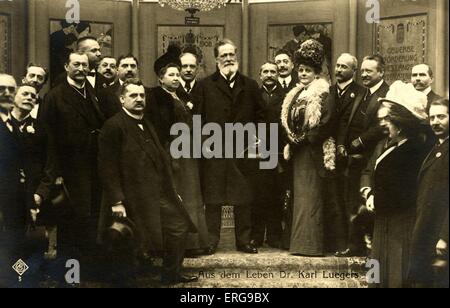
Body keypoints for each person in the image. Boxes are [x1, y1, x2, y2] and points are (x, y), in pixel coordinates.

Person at [98, 78, 198, 285]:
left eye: (142, 95)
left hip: (157, 193)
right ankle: (126, 281)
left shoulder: (146, 123)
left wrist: (172, 190)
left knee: (178, 226)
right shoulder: (114, 125)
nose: (139, 99)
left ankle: (171, 274)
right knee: (130, 239)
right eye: (133, 95)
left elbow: (161, 159)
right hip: (131, 196)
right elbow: (107, 167)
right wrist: (117, 201)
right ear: (122, 99)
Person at [36, 52, 105, 277]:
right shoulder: (55, 96)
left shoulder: (92, 93)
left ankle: (89, 268)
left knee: (91, 216)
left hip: (93, 166)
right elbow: (47, 138)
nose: (80, 68)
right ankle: (69, 271)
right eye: (76, 64)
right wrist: (54, 172)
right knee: (71, 218)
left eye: (84, 65)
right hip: (69, 168)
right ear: (66, 66)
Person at [193, 39, 263, 255]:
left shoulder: (250, 85)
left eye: (231, 55)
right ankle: (211, 240)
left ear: (237, 57)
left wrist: (256, 142)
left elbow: (261, 116)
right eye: (224, 55)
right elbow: (198, 118)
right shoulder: (204, 85)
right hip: (215, 150)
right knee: (213, 197)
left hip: (243, 149)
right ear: (216, 59)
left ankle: (244, 241)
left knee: (243, 196)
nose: (228, 59)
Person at [367, 81, 430, 288]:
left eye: (389, 120)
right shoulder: (397, 147)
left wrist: (377, 200)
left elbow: (405, 192)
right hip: (385, 223)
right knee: (378, 273)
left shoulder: (413, 151)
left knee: (395, 273)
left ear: (401, 123)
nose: (385, 125)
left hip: (399, 226)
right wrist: (371, 195)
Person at [147, 62, 209, 257]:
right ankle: (175, 244)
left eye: (177, 75)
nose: (176, 78)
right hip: (173, 148)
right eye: (171, 74)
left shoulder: (181, 96)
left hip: (187, 150)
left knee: (191, 193)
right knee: (177, 192)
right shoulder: (158, 97)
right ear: (161, 79)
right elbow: (160, 126)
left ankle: (193, 242)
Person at [280, 39, 336, 256]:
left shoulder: (323, 93)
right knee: (298, 197)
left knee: (311, 197)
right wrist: (291, 138)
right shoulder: (294, 94)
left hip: (313, 151)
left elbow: (326, 123)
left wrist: (303, 139)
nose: (303, 74)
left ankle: (311, 246)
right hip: (298, 152)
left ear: (316, 73)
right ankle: (297, 243)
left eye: (308, 71)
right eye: (301, 70)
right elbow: (286, 119)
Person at [335, 54, 390, 257]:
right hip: (352, 159)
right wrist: (342, 144)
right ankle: (353, 245)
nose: (365, 75)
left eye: (370, 71)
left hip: (372, 157)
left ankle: (371, 249)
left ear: (381, 72)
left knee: (368, 204)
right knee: (351, 201)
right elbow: (346, 122)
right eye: (363, 71)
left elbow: (383, 126)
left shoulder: (387, 93)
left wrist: (361, 141)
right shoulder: (361, 93)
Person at [0, 82, 46, 286]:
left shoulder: (40, 129)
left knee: (20, 243)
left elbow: (49, 165)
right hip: (6, 194)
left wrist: (37, 195)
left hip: (26, 195)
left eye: (33, 96)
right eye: (24, 94)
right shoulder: (8, 126)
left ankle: (18, 278)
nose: (29, 98)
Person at [408, 98, 449, 288]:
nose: (436, 122)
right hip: (427, 230)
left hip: (439, 235)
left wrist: (444, 237)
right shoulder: (436, 147)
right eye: (432, 117)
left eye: (441, 116)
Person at [329, 53, 365, 253]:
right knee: (333, 201)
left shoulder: (361, 93)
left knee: (349, 201)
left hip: (350, 157)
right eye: (337, 65)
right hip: (328, 156)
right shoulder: (328, 91)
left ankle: (352, 244)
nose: (339, 70)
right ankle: (336, 243)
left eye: (344, 67)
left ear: (354, 71)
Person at [249, 61, 285, 249]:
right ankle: (256, 235)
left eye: (273, 71)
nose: (269, 75)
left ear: (278, 74)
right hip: (259, 151)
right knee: (258, 194)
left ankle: (274, 234)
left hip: (278, 151)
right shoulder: (254, 94)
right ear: (260, 75)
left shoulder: (286, 95)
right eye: (266, 72)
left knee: (276, 194)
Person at [97, 54, 140, 119]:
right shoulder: (104, 93)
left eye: (133, 66)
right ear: (117, 70)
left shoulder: (147, 93)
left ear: (137, 70)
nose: (129, 69)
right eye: (125, 66)